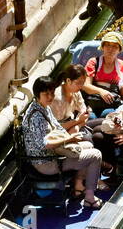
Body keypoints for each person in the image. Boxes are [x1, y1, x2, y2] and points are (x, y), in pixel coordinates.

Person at [20, 76, 105, 209]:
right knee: (96, 155)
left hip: (53, 153)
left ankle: (78, 186)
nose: (50, 97)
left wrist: (74, 132)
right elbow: (44, 144)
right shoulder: (36, 116)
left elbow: (58, 127)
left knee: (88, 144)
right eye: (46, 94)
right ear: (38, 95)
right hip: (46, 162)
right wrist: (69, 139)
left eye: (52, 93)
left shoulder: (43, 107)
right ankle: (89, 197)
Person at [82, 32, 123, 113]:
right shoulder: (93, 62)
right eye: (108, 45)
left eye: (115, 46)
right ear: (102, 47)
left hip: (112, 103)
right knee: (91, 117)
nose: (111, 49)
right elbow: (85, 85)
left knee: (107, 114)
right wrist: (101, 92)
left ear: (119, 50)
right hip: (93, 101)